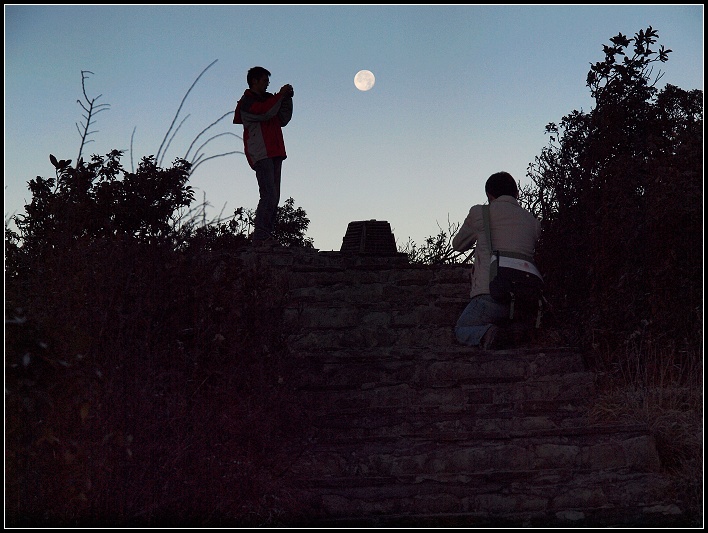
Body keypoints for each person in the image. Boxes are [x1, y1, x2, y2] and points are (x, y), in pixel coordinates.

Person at [452, 171, 542, 349]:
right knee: (512, 317)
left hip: (490, 294)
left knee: (462, 328)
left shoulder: (480, 212)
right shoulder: (533, 221)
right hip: (524, 299)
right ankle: (515, 328)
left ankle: (488, 333)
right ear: (517, 194)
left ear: (489, 195)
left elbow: (458, 244)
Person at [233, 66, 294, 246]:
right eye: (265, 81)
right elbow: (265, 112)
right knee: (268, 194)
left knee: (274, 196)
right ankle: (260, 236)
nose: (267, 84)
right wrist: (280, 95)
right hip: (261, 153)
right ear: (254, 81)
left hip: (275, 151)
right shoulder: (247, 103)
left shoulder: (269, 100)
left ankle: (266, 235)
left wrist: (286, 99)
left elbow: (283, 119)